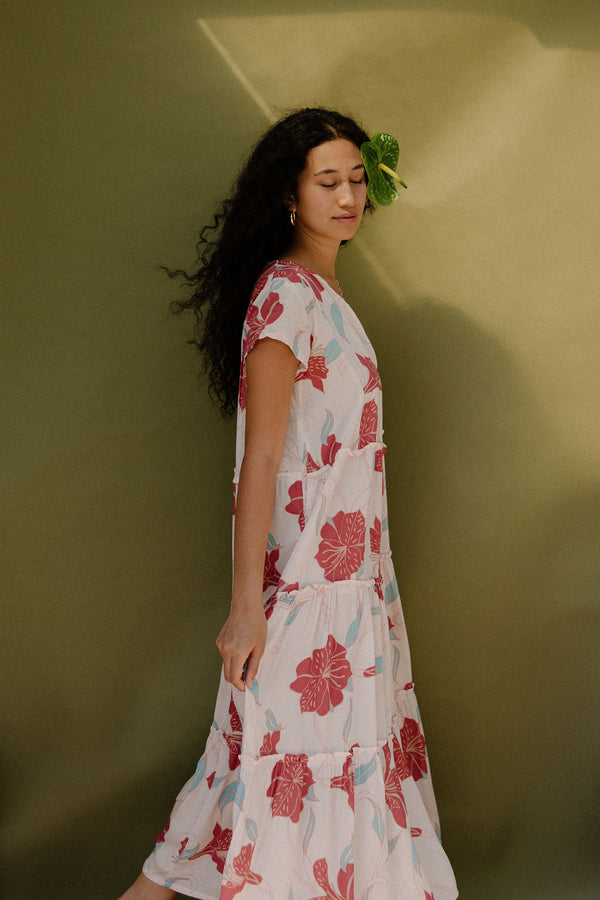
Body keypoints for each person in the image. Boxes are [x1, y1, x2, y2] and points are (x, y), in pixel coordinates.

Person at [119, 108, 458, 900]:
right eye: (326, 181)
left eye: (354, 180)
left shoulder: (323, 294)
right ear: (289, 196)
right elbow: (260, 460)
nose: (347, 197)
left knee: (234, 782)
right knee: (268, 780)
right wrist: (247, 607)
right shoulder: (283, 299)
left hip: (352, 587)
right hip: (304, 590)